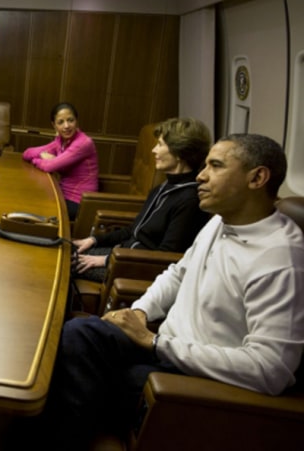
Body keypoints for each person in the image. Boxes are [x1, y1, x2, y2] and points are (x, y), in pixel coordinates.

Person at [45, 133, 304, 450]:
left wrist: (154, 342)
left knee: (68, 380)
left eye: (216, 166)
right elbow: (178, 274)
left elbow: (270, 370)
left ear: (257, 177)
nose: (200, 175)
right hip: (164, 348)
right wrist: (139, 312)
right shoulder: (220, 221)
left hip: (197, 378)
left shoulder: (280, 259)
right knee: (74, 333)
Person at [72, 118, 213, 282]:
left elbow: (165, 258)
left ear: (180, 151)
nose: (154, 150)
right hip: (123, 256)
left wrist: (106, 259)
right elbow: (134, 230)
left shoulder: (190, 200)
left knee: (68, 263)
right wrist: (94, 240)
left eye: (160, 144)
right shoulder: (163, 187)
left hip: (137, 270)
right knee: (66, 248)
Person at [22, 102, 98, 220]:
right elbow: (27, 153)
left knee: (36, 209)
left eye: (70, 120)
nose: (66, 126)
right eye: (60, 122)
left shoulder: (84, 143)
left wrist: (40, 161)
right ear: (54, 125)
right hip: (61, 194)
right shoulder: (60, 141)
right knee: (30, 202)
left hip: (79, 202)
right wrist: (42, 156)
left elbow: (49, 167)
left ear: (76, 121)